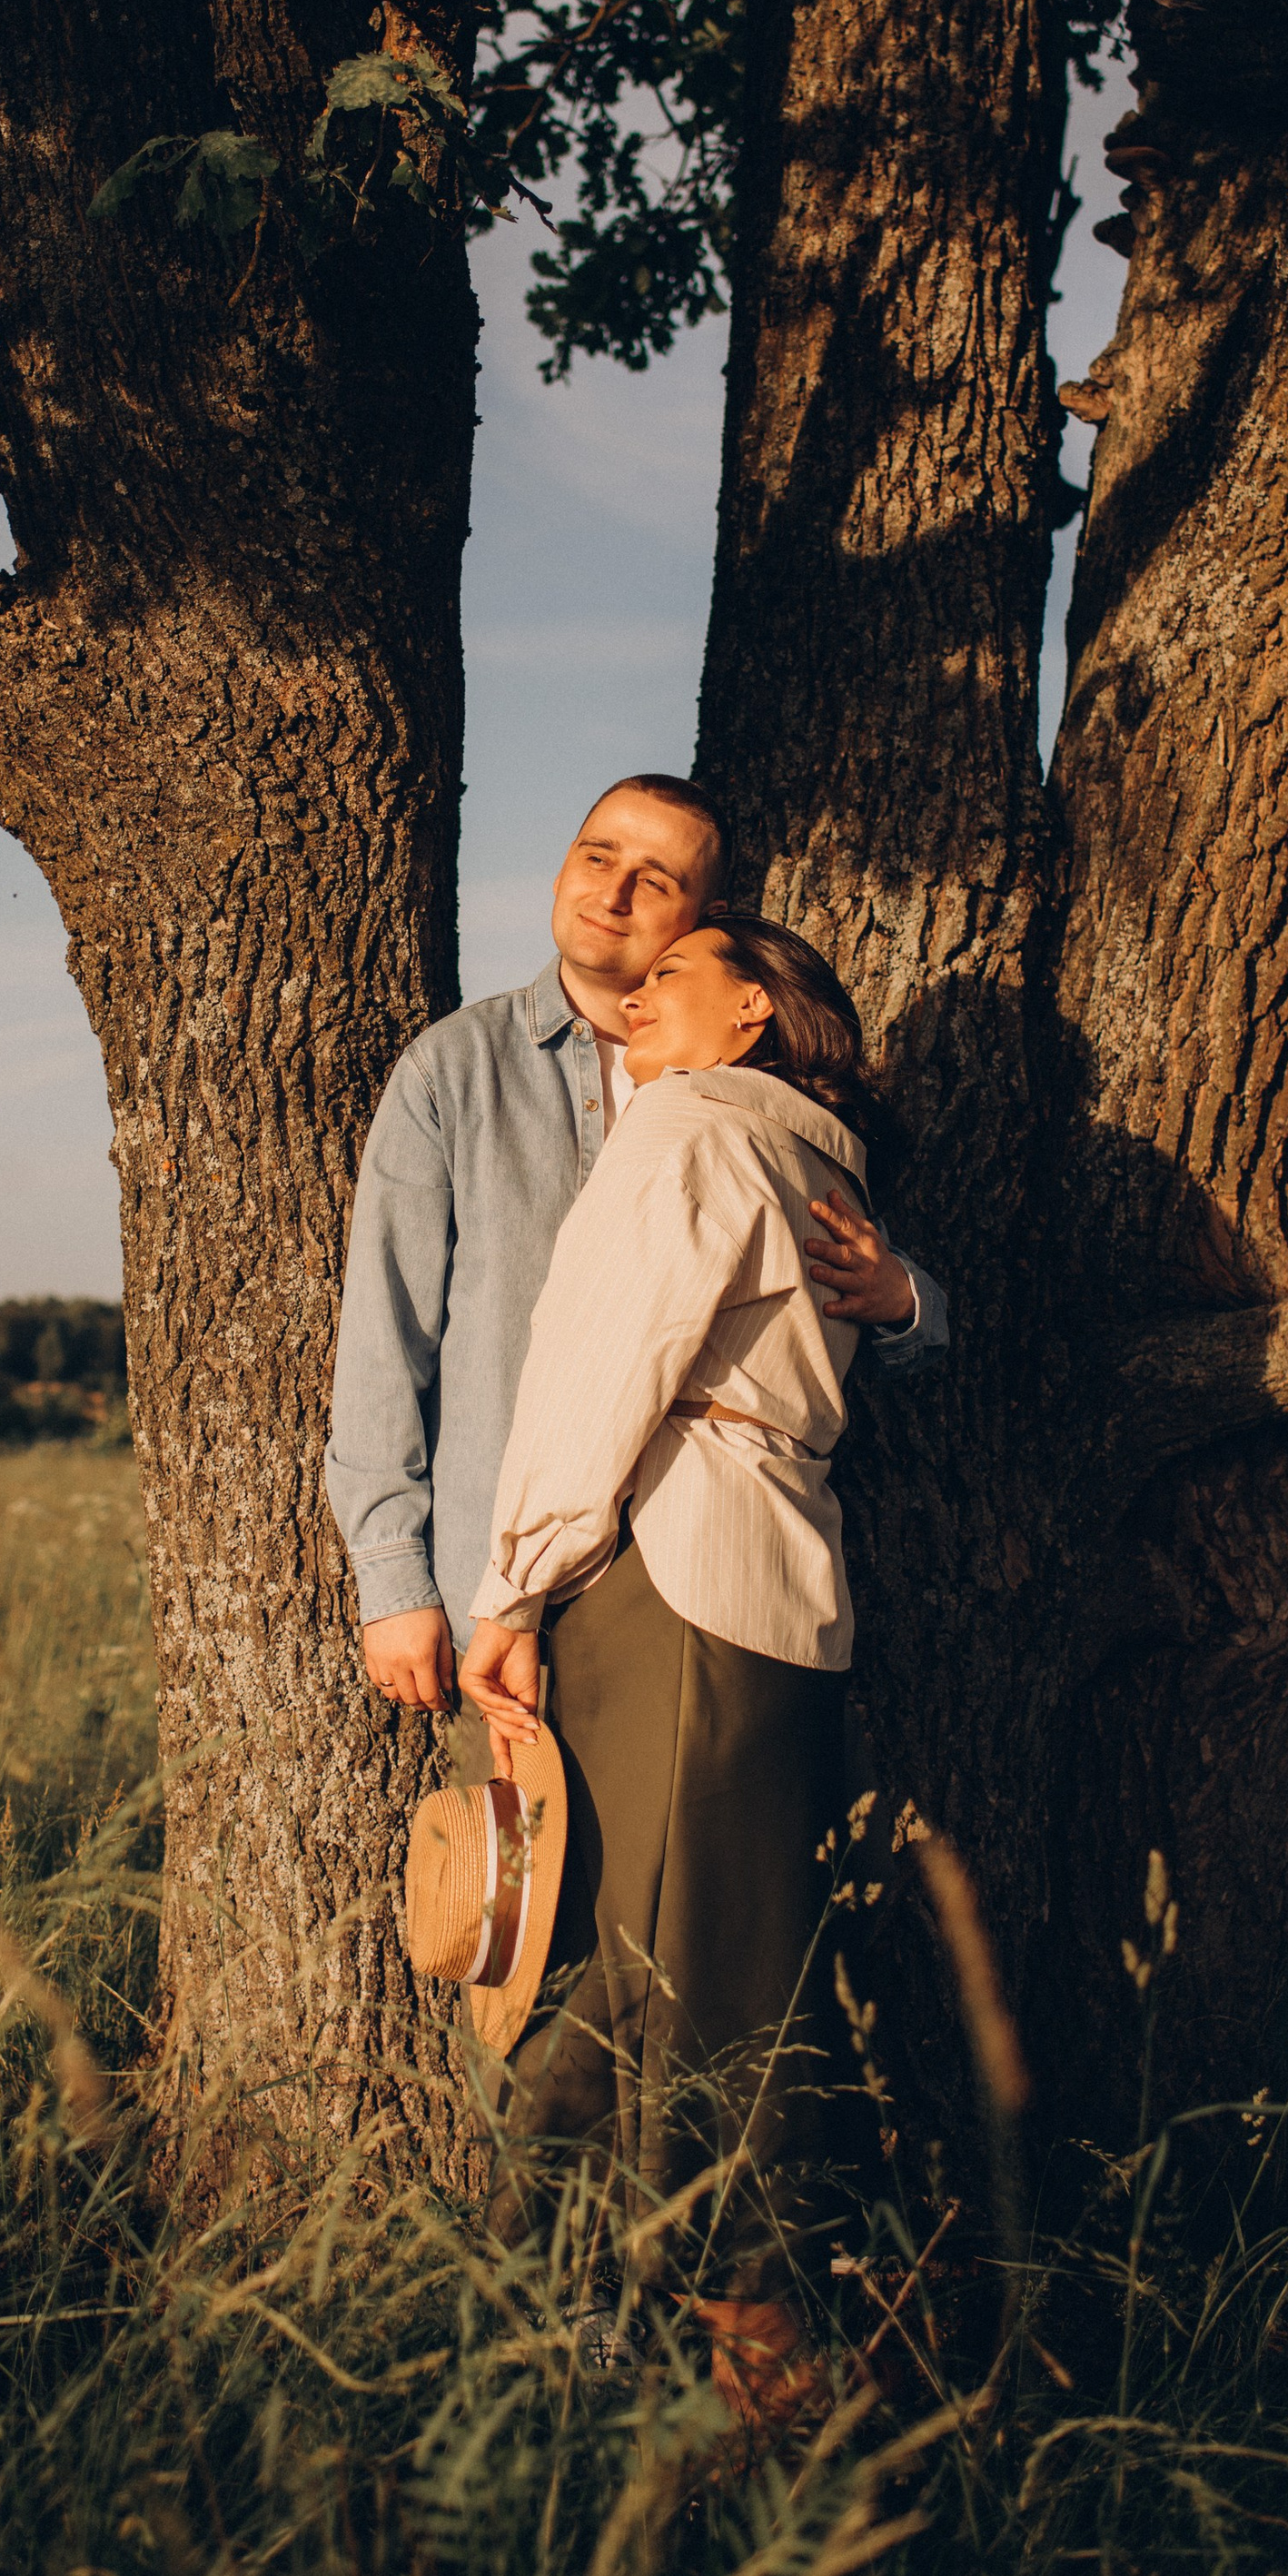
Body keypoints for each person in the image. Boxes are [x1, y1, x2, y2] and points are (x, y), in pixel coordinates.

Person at [456, 912, 908, 2393]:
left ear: (756, 1014)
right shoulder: (820, 1158)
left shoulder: (689, 1129)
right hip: (776, 1578)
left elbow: (605, 1365)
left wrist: (515, 1585)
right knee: (703, 1951)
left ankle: (746, 2338)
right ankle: (585, 2304)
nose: (639, 993)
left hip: (672, 1565)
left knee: (660, 1959)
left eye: (678, 975)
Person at [325, 776, 946, 1713]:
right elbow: (386, 1339)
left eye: (654, 881)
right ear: (561, 870)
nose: (611, 894)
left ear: (706, 916)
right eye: (597, 856)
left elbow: (841, 1336)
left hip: (701, 1570)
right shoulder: (455, 1069)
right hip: (499, 1580)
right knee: (529, 1854)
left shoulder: (757, 1096)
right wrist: (393, 1579)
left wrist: (900, 1297)